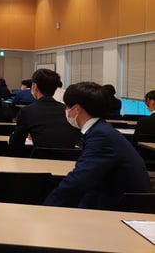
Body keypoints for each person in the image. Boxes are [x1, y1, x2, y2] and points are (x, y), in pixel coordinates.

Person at [43, 82, 151, 210]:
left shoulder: (101, 137)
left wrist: (45, 208)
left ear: (76, 109)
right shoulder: (101, 130)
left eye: (67, 107)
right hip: (112, 198)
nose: (66, 112)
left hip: (123, 209)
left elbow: (79, 180)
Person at [9, 69, 81, 150]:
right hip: (69, 156)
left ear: (35, 87)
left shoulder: (27, 111)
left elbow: (16, 143)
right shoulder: (68, 110)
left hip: (39, 156)